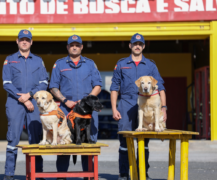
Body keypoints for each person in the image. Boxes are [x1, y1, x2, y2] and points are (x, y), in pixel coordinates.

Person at [110, 33, 167, 180]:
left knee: (144, 141)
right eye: (134, 44)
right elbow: (114, 88)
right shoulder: (121, 64)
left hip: (147, 104)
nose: (137, 46)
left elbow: (160, 87)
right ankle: (123, 174)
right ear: (130, 45)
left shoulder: (150, 65)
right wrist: (114, 108)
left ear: (143, 46)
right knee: (124, 141)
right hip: (126, 104)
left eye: (140, 44)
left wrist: (164, 108)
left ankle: (143, 173)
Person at [49, 35, 102, 180]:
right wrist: (65, 100)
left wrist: (85, 101)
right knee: (64, 143)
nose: (74, 47)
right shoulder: (59, 64)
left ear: (82, 47)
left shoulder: (90, 64)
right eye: (71, 45)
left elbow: (98, 86)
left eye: (77, 45)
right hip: (67, 110)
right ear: (67, 47)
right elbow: (53, 87)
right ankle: (61, 176)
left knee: (87, 143)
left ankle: (88, 176)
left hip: (87, 112)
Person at [2, 29, 48, 180]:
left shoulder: (38, 60)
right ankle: (9, 174)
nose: (24, 42)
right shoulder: (10, 59)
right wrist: (23, 98)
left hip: (35, 101)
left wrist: (30, 95)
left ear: (31, 42)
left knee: (36, 137)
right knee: (13, 138)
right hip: (15, 102)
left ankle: (37, 173)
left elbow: (44, 82)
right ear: (17, 41)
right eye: (22, 39)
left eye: (27, 40)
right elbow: (6, 83)